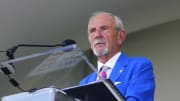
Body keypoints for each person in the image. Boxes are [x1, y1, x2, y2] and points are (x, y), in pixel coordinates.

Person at [79, 11, 156, 101]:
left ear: (120, 36)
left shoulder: (139, 66)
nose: (97, 35)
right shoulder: (84, 83)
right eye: (92, 31)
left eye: (104, 29)